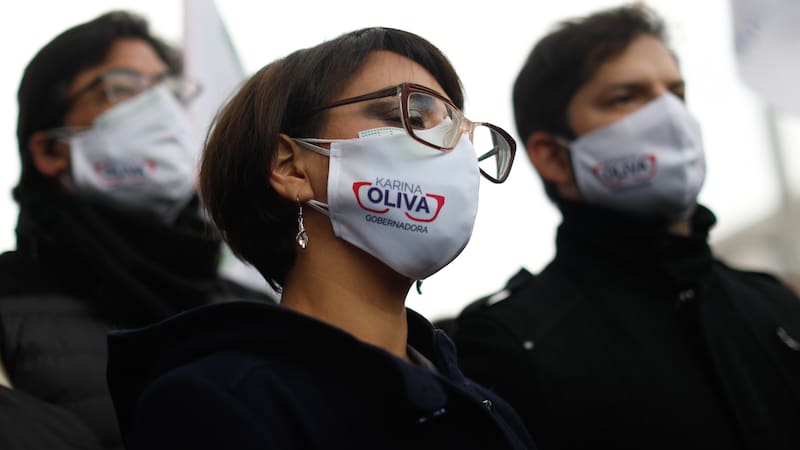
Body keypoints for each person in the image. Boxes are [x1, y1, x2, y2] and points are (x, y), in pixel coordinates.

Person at [105, 26, 535, 450]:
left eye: (458, 132)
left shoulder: (489, 411)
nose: (455, 153)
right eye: (415, 117)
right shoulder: (217, 404)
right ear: (290, 168)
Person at [452, 4, 800, 450]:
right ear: (554, 156)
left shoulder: (774, 306)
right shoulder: (514, 343)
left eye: (675, 93)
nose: (669, 116)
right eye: (625, 98)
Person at [0, 11, 271, 450]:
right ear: (51, 150)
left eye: (169, 90)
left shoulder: (254, 311)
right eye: (122, 89)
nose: (160, 109)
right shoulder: (10, 305)